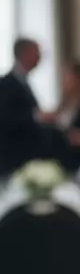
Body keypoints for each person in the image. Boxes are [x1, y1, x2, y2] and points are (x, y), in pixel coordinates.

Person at [0, 37, 51, 177]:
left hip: (28, 157)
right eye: (36, 53)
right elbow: (5, 119)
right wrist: (36, 117)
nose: (40, 58)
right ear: (24, 54)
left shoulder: (25, 83)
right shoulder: (5, 85)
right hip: (12, 157)